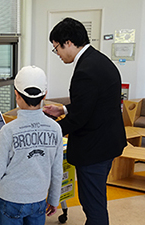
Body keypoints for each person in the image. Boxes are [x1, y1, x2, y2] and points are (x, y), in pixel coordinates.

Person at [43, 17, 127, 225]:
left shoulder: (85, 71)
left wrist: (48, 131)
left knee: (93, 204)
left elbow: (80, 118)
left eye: (57, 48)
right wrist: (62, 109)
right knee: (95, 198)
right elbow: (92, 105)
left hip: (94, 149)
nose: (58, 54)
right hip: (108, 142)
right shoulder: (99, 60)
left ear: (68, 42)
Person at [0, 65, 63, 225]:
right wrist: (54, 199)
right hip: (39, 198)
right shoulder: (55, 128)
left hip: (11, 200)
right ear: (45, 95)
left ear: (16, 95)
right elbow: (57, 170)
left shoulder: (8, 130)